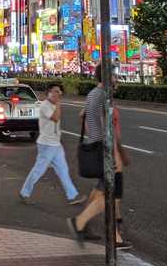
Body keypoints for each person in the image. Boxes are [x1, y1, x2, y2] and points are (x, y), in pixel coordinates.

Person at [67, 65, 130, 248]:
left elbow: (83, 115)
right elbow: (107, 127)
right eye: (115, 76)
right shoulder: (104, 96)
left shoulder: (93, 93)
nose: (117, 79)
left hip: (98, 146)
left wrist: (92, 135)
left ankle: (108, 233)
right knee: (112, 194)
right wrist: (116, 153)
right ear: (109, 77)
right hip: (106, 150)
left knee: (103, 191)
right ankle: (80, 222)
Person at [20, 83, 85, 207]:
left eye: (59, 92)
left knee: (63, 170)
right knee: (38, 170)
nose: (57, 94)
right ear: (48, 92)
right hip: (46, 144)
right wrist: (59, 104)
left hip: (55, 144)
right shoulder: (45, 105)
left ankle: (72, 195)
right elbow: (55, 118)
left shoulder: (53, 105)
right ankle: (24, 193)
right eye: (54, 91)